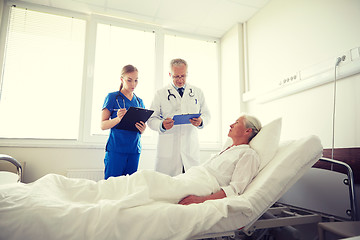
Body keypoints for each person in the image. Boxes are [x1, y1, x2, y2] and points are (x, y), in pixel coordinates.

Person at [147, 58, 211, 176]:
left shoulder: (197, 92)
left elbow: (207, 114)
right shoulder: (160, 94)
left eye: (183, 76)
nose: (180, 80)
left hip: (190, 148)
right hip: (168, 151)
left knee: (190, 184)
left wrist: (201, 121)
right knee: (167, 188)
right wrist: (162, 125)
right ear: (170, 74)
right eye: (176, 77)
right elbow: (151, 119)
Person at [101, 64, 147, 179]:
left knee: (129, 188)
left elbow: (140, 128)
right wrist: (118, 119)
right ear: (122, 79)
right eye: (129, 80)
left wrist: (142, 129)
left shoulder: (139, 102)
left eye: (136, 80)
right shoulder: (112, 97)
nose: (133, 84)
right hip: (116, 150)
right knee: (112, 187)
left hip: (134, 150)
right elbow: (103, 125)